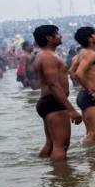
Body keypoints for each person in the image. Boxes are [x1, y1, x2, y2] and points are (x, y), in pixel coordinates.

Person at [32, 25, 83, 161]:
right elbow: (53, 84)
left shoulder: (43, 55)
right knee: (61, 146)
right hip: (54, 102)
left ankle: (44, 169)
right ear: (49, 38)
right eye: (57, 34)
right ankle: (61, 173)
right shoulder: (48, 57)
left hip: (48, 102)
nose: (60, 36)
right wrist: (71, 110)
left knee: (51, 144)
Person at [72, 27, 95, 145]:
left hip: (83, 94)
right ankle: (89, 156)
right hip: (89, 95)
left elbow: (72, 71)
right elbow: (78, 73)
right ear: (90, 39)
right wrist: (91, 91)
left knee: (89, 133)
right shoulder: (91, 54)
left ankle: (90, 155)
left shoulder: (81, 54)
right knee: (94, 134)